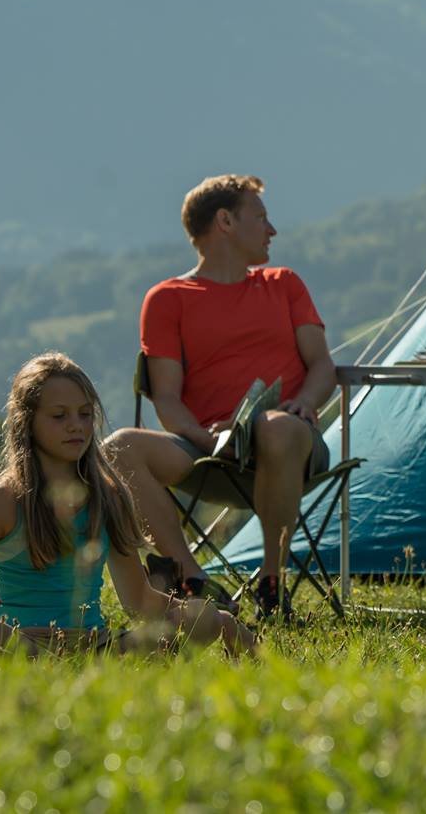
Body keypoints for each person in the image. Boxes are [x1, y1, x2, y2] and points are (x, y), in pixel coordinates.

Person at [102, 174, 335, 615]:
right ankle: (192, 576)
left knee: (276, 426)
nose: (272, 230)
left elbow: (322, 365)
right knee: (119, 448)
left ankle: (271, 581)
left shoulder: (285, 284)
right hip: (210, 450)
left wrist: (306, 402)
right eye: (261, 217)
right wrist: (207, 439)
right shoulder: (167, 299)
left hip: (290, 443)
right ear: (225, 221)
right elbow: (167, 398)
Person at [0, 353, 255, 655]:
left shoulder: (108, 497)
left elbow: (138, 600)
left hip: (96, 646)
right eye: (59, 416)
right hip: (21, 643)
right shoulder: (5, 500)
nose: (76, 426)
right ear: (27, 423)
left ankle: (63, 670)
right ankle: (45, 667)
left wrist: (208, 617)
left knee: (202, 618)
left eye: (84, 414)